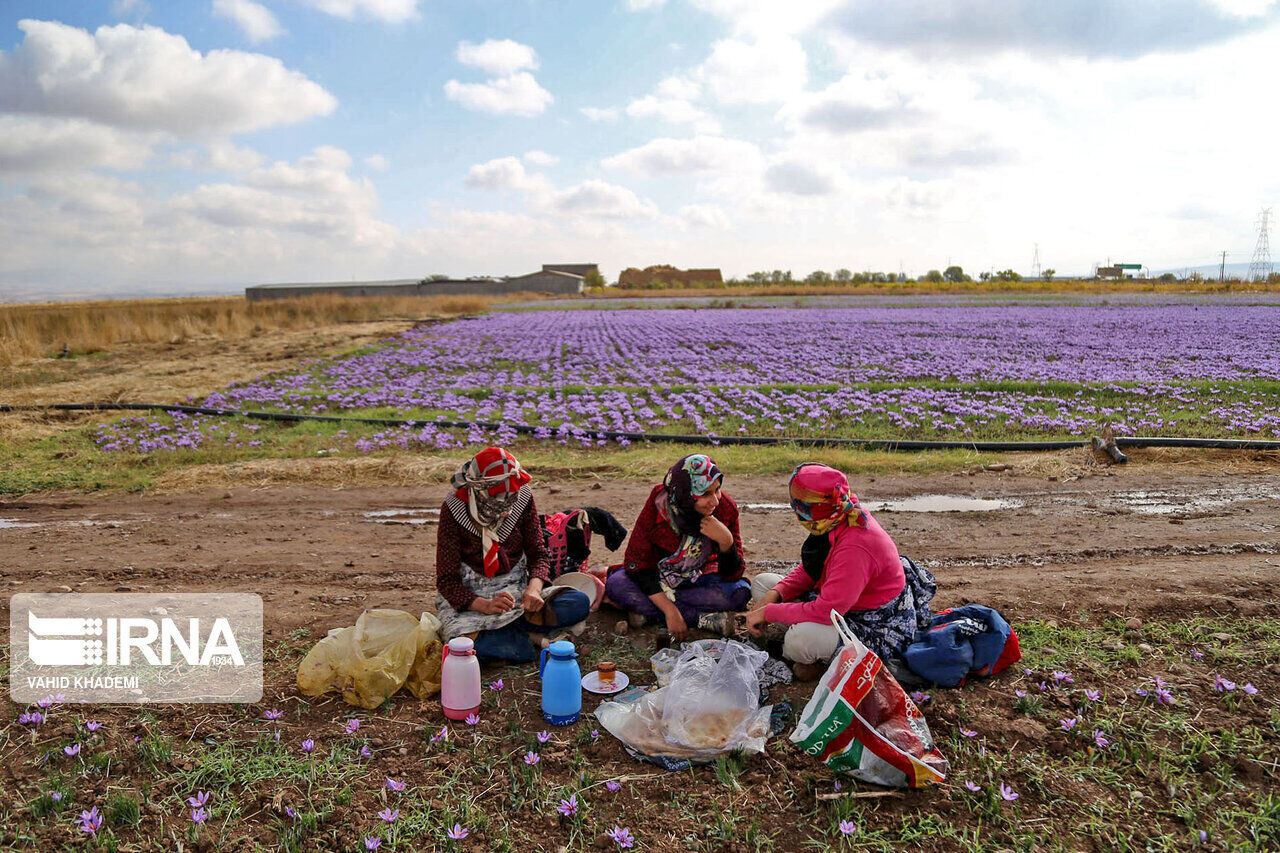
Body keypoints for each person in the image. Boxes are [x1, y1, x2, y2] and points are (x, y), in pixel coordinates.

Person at [746, 463, 936, 677]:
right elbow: (813, 570)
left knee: (798, 641)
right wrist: (776, 593)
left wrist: (770, 611)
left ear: (811, 509)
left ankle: (820, 664)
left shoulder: (855, 547)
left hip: (874, 624)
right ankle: (814, 647)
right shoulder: (836, 516)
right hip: (842, 604)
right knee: (764, 585)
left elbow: (827, 611)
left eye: (797, 506)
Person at [435, 447, 590, 662]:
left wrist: (534, 590)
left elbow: (539, 555)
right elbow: (447, 582)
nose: (506, 507)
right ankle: (531, 637)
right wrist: (485, 606)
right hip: (472, 601)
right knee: (470, 646)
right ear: (480, 489)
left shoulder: (522, 498)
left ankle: (516, 635)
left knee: (577, 602)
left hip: (516, 594)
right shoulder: (455, 509)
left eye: (511, 497)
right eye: (499, 497)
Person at [605, 453, 749, 640]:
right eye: (705, 494)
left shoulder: (725, 509)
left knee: (739, 593)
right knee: (617, 585)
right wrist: (669, 610)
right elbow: (638, 563)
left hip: (698, 578)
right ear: (684, 495)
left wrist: (726, 542)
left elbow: (732, 574)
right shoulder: (659, 506)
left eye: (718, 490)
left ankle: (647, 612)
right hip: (660, 578)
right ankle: (699, 618)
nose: (715, 501)